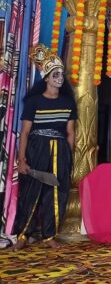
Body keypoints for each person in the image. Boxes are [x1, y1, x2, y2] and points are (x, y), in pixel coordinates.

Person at [12, 44, 77, 251]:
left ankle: (49, 236)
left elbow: (70, 133)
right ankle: (23, 235)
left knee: (57, 193)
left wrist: (68, 157)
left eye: (61, 74)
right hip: (37, 148)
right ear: (46, 78)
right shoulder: (34, 102)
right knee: (30, 192)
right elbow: (24, 133)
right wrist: (22, 159)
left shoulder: (68, 102)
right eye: (55, 74)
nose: (59, 78)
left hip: (61, 150)